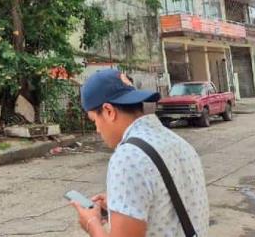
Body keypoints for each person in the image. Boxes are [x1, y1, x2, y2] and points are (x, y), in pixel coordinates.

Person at [70, 69, 209, 237]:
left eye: (94, 120)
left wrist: (91, 223)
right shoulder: (178, 143)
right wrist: (122, 201)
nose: (98, 129)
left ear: (108, 111)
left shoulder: (128, 157)